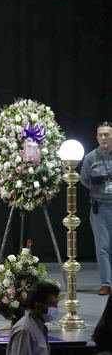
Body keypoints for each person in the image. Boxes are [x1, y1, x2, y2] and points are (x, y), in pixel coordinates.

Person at [80, 121, 112, 295]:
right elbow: (84, 180)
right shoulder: (90, 157)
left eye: (107, 134)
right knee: (102, 247)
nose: (103, 137)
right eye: (100, 134)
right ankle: (106, 283)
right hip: (99, 208)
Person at [6, 281, 60, 355]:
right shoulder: (24, 331)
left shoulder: (39, 326)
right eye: (53, 305)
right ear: (38, 306)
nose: (56, 308)